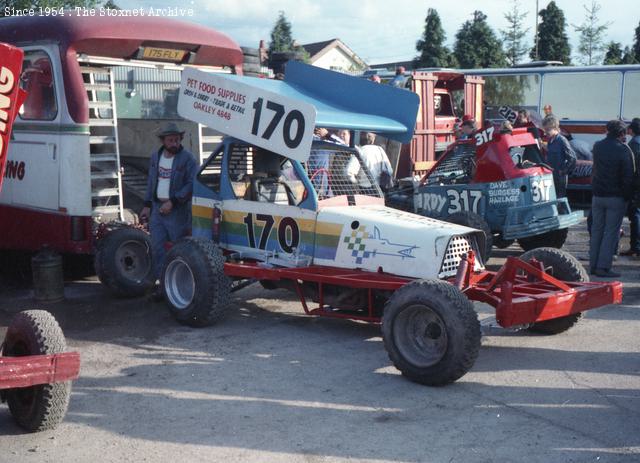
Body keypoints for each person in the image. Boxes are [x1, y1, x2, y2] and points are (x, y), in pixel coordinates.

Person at [140, 123, 197, 293]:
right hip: (157, 210)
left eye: (177, 140)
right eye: (170, 140)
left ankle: (183, 287)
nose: (174, 143)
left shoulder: (188, 158)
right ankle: (164, 287)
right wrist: (146, 205)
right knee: (157, 248)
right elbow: (151, 181)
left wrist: (173, 201)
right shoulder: (156, 157)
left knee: (179, 249)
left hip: (177, 211)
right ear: (163, 141)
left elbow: (192, 183)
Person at [589, 120, 634, 277]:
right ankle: (603, 267)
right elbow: (628, 177)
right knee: (611, 232)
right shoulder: (624, 150)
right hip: (616, 197)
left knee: (597, 230)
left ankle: (593, 265)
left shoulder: (597, 146)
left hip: (598, 195)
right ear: (622, 134)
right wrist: (628, 198)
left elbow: (595, 169)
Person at [542, 115, 576, 198]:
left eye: (547, 130)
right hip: (552, 175)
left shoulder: (562, 140)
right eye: (545, 130)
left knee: (560, 198)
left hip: (560, 176)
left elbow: (572, 158)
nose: (545, 132)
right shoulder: (550, 141)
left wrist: (564, 171)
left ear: (554, 128)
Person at [621, 118, 640, 256]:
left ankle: (636, 247)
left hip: (636, 184)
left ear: (632, 130)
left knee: (635, 215)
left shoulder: (634, 144)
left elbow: (631, 166)